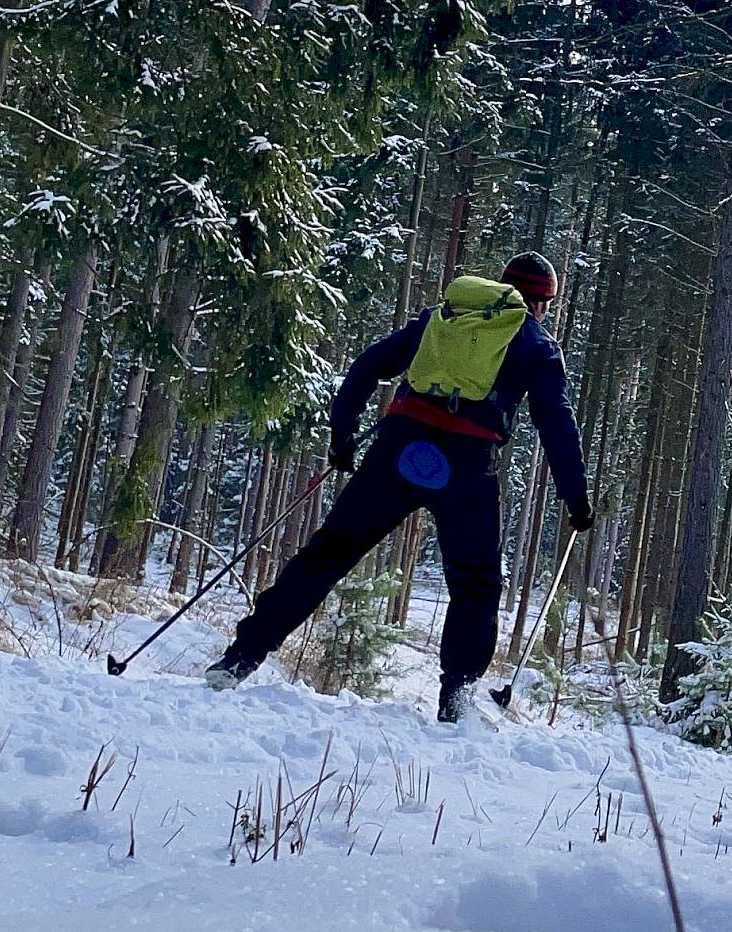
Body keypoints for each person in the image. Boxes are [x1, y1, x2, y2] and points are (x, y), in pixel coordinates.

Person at [204, 253, 593, 722]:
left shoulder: (443, 317)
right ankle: (456, 700)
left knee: (328, 554)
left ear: (503, 286)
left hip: (399, 449)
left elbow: (369, 365)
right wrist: (576, 497)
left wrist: (343, 436)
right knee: (475, 583)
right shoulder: (536, 342)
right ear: (543, 303)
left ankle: (241, 657)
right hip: (467, 465)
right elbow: (556, 422)